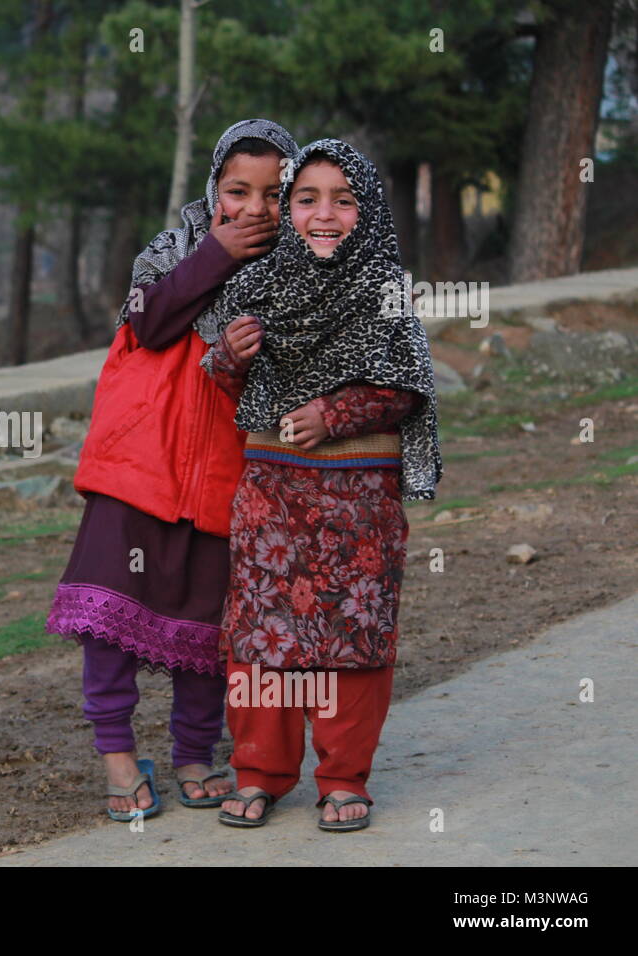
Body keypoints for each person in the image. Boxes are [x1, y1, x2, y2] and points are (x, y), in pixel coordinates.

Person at [47, 119, 298, 820]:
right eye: (237, 190)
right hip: (139, 461)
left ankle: (194, 752)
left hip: (229, 469)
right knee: (108, 617)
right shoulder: (171, 249)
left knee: (206, 625)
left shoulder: (300, 267)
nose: (254, 209)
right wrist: (216, 255)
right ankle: (118, 758)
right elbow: (151, 322)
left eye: (275, 195)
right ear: (213, 188)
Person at [202, 138, 442, 831]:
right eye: (306, 199)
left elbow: (407, 390)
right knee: (262, 635)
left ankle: (342, 778)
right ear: (289, 209)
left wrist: (331, 414)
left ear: (367, 211)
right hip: (270, 494)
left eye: (343, 200)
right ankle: (259, 772)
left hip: (356, 499)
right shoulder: (254, 284)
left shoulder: (385, 292)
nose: (324, 214)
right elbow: (226, 384)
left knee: (351, 632)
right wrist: (229, 355)